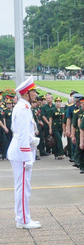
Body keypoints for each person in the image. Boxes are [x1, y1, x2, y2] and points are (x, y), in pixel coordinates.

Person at [9, 77, 41, 229]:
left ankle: (23, 217)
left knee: (23, 187)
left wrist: (32, 138)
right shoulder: (23, 109)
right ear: (27, 93)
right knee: (23, 188)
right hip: (21, 153)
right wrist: (27, 157)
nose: (36, 94)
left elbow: (22, 132)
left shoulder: (24, 107)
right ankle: (23, 220)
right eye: (34, 91)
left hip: (21, 150)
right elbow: (21, 135)